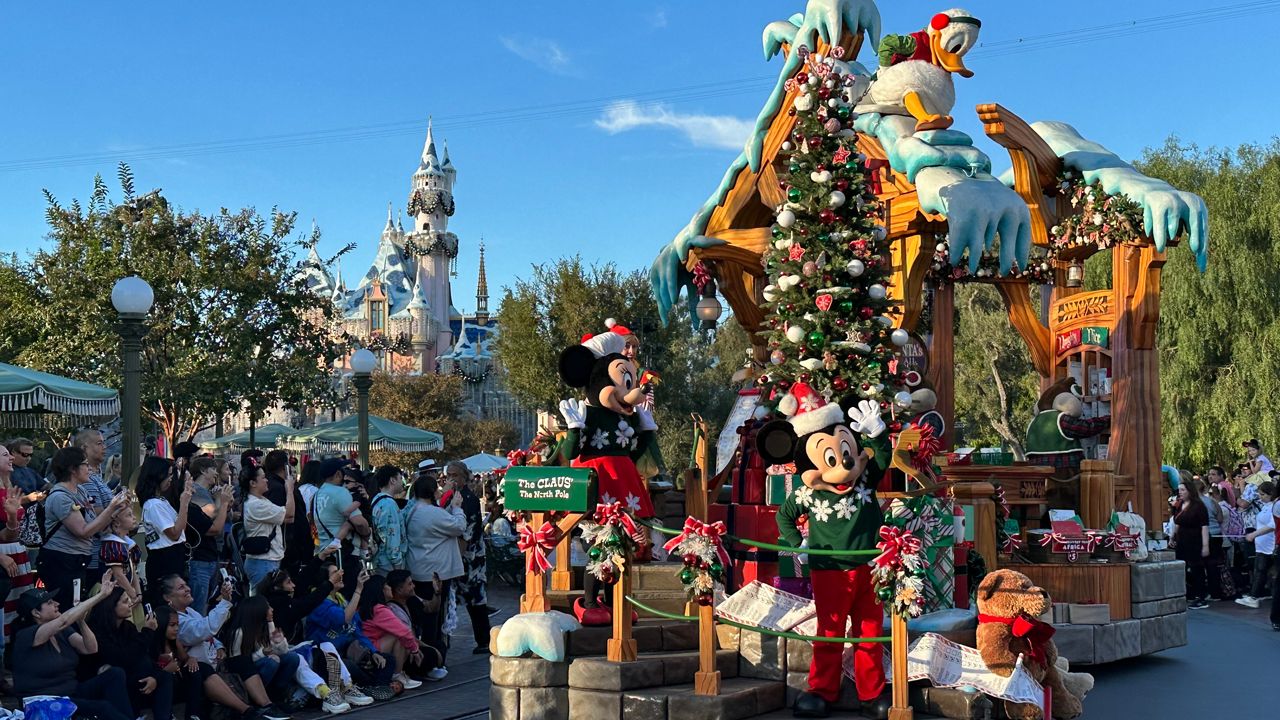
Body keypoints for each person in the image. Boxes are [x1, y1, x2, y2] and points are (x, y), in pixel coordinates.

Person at [163, 574, 291, 720]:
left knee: (243, 661)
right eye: (181, 587)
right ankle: (249, 711)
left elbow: (210, 636)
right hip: (199, 670)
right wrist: (224, 602)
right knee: (267, 662)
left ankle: (267, 705)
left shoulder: (192, 612)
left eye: (186, 585)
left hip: (217, 663)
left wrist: (219, 647)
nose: (187, 589)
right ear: (168, 597)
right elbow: (204, 629)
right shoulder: (176, 620)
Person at [254, 558, 374, 708]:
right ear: (278, 588)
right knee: (297, 658)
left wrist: (320, 557)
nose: (294, 585)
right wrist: (332, 584)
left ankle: (347, 687)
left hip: (294, 648)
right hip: (280, 654)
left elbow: (303, 578)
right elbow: (311, 604)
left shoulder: (289, 601)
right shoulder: (278, 605)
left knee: (327, 645)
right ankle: (326, 694)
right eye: (289, 583)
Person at [11, 573, 134, 720]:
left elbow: (90, 648)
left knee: (115, 674)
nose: (57, 604)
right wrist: (101, 596)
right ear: (36, 613)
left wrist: (81, 621)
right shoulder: (26, 635)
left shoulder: (62, 631)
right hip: (45, 701)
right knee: (103, 708)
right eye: (49, 603)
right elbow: (64, 620)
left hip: (71, 693)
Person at [39, 446, 130, 610]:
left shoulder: (79, 490)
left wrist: (117, 510)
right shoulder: (60, 496)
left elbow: (95, 525)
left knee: (79, 608)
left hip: (78, 561)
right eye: (85, 464)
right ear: (73, 469)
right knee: (68, 609)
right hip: (62, 562)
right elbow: (83, 531)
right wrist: (111, 509)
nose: (89, 469)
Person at [226, 595, 341, 712]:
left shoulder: (264, 627)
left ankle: (277, 695)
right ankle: (259, 698)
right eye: (268, 607)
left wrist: (279, 641)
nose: (272, 609)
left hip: (267, 665)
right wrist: (262, 653)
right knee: (271, 662)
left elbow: (282, 652)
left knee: (293, 658)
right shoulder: (239, 633)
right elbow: (237, 664)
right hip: (250, 675)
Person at [404, 476, 464, 676]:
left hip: (418, 569)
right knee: (435, 619)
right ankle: (434, 660)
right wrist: (456, 507)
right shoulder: (431, 512)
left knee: (422, 616)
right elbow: (458, 526)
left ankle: (424, 657)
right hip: (437, 572)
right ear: (431, 492)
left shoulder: (412, 510)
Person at [302, 563, 394, 690]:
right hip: (326, 658)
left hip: (349, 652)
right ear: (324, 580)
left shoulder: (342, 600)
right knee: (349, 666)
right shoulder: (319, 604)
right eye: (335, 573)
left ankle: (376, 688)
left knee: (387, 660)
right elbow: (343, 619)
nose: (340, 575)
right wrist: (358, 589)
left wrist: (374, 652)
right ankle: (371, 687)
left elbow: (357, 631)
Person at [88, 586, 175, 720]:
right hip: (107, 682)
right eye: (124, 601)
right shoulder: (97, 630)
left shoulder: (127, 627)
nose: (130, 603)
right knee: (138, 666)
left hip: (134, 677)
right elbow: (124, 657)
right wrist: (148, 631)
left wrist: (154, 678)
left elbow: (141, 654)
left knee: (162, 676)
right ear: (111, 606)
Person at [443, 461, 493, 654]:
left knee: (476, 601)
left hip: (470, 557)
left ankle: (484, 640)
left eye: (455, 475)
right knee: (450, 599)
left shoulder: (468, 498)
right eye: (449, 475)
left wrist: (456, 558)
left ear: (464, 476)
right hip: (454, 554)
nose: (451, 479)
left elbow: (467, 533)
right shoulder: (450, 497)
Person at [139, 456, 193, 604]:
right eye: (168, 475)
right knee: (168, 603)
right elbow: (174, 533)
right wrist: (184, 504)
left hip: (175, 555)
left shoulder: (161, 501)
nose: (171, 479)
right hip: (165, 559)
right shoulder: (153, 505)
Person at [312, 458, 369, 596]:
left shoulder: (317, 494)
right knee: (351, 598)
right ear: (338, 474)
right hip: (346, 555)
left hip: (325, 553)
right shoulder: (341, 493)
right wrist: (367, 534)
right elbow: (359, 522)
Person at [356, 574, 423, 690]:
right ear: (380, 589)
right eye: (386, 585)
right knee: (398, 637)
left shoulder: (368, 607)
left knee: (402, 638)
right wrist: (415, 650)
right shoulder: (379, 609)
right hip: (371, 649)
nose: (390, 587)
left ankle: (398, 673)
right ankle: (397, 675)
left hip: (366, 647)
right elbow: (404, 632)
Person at [188, 456, 234, 614]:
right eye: (213, 469)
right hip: (200, 558)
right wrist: (222, 501)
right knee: (198, 608)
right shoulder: (197, 490)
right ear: (202, 471)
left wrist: (222, 502)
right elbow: (213, 514)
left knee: (207, 604)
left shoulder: (206, 492)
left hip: (211, 554)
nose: (216, 473)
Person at [242, 462, 296, 589]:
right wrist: (289, 491)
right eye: (263, 478)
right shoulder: (255, 504)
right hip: (263, 562)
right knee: (262, 603)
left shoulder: (261, 500)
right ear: (253, 483)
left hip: (267, 560)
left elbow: (289, 517)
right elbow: (289, 515)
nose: (267, 480)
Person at [384, 569, 444, 680]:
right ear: (399, 589)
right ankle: (420, 671)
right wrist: (430, 649)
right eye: (410, 584)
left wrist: (437, 592)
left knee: (440, 645)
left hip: (414, 644)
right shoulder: (392, 609)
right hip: (406, 650)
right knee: (431, 653)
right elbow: (407, 636)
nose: (413, 586)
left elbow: (431, 608)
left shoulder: (411, 599)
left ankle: (430, 668)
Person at [73, 429, 115, 580]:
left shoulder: (96, 476)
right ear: (84, 448)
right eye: (99, 443)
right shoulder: (87, 479)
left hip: (104, 552)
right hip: (96, 555)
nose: (104, 447)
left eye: (104, 442)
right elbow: (97, 514)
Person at [1171, 478, 1210, 609]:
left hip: (1195, 540)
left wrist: (1205, 545)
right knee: (1182, 567)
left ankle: (1201, 596)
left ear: (1189, 491)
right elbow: (1177, 522)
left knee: (1196, 568)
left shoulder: (1198, 506)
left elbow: (1204, 526)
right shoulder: (1179, 505)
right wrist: (1173, 537)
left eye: (1183, 490)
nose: (1180, 492)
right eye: (1179, 490)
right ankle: (1188, 593)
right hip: (1182, 540)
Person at [1236, 481, 1275, 609]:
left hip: (1270, 545)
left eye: (1263, 494)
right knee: (1259, 570)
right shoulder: (1265, 506)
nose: (1261, 497)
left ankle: (1254, 596)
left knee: (1263, 570)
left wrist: (1254, 534)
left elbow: (1272, 525)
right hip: (1261, 545)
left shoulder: (1274, 507)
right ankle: (1254, 595)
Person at [100, 500, 144, 602]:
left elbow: (133, 570)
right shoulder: (112, 544)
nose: (134, 517)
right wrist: (133, 595)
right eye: (129, 515)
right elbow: (118, 575)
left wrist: (138, 592)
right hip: (116, 595)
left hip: (130, 591)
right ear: (116, 523)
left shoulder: (127, 543)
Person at [370, 465, 408, 573]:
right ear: (392, 480)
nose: (402, 482)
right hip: (389, 565)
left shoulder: (377, 499)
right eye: (400, 478)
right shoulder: (389, 505)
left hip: (380, 560)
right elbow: (392, 538)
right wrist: (398, 566)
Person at [1198, 478, 1229, 600]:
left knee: (1202, 565)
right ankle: (1216, 592)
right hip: (1217, 534)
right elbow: (1220, 519)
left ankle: (1203, 592)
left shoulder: (1194, 503)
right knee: (1214, 564)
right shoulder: (1212, 502)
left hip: (1203, 535)